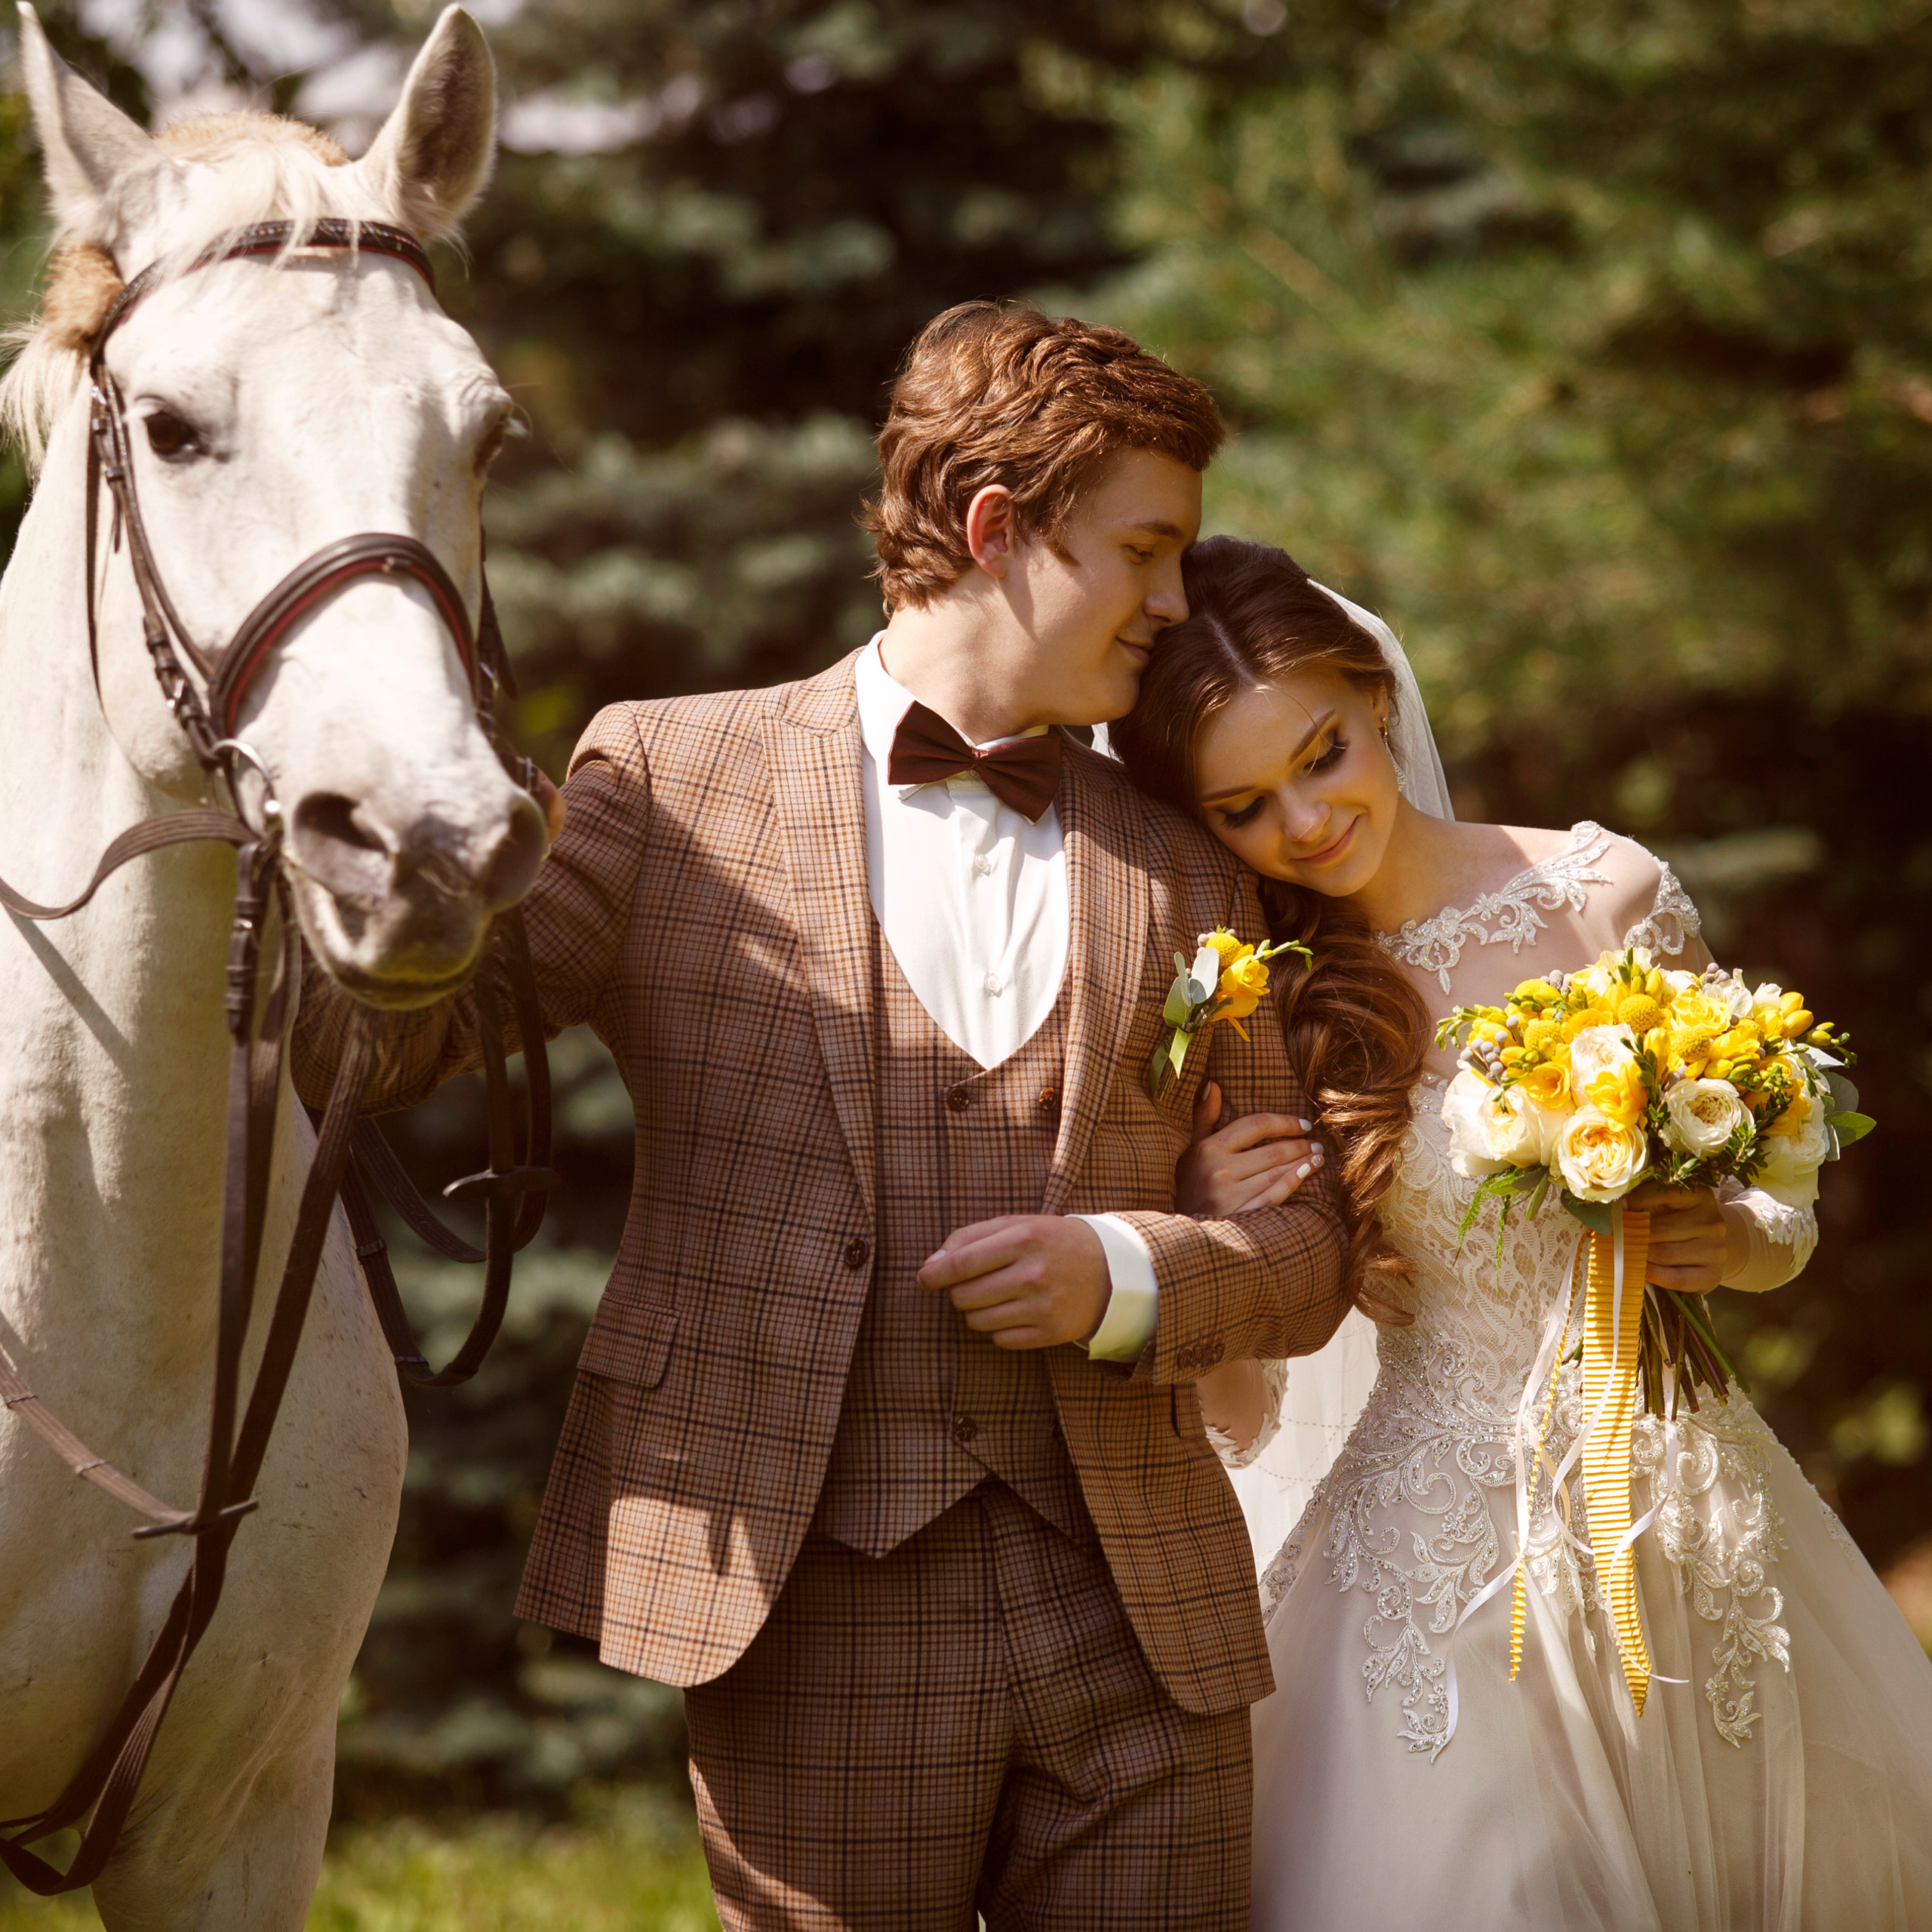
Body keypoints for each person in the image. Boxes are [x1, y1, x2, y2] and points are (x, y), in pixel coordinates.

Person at [297, 308, 1349, 1928]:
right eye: (1143, 550)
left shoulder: (1194, 863)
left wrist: (1132, 1270)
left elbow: (1303, 1254)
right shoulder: (664, 779)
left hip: (1144, 1614)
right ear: (998, 528)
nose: (1172, 600)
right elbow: (404, 1043)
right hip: (807, 1605)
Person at [1112, 535, 1932, 1931]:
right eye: (1245, 806)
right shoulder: (1267, 1000)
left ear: (1375, 696)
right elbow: (1247, 1392)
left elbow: (1783, 1200)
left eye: (1322, 754)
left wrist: (1730, 1242)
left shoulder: (1606, 894)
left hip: (1692, 1519)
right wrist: (1213, 1229)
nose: (1305, 823)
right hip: (1443, 1563)